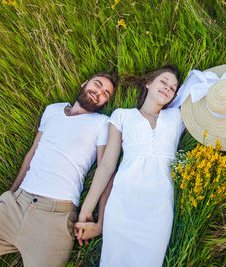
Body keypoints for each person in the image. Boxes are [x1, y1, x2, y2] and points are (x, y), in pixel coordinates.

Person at [0, 71, 117, 267]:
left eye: (106, 94)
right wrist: (11, 193)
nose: (99, 93)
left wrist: (100, 223)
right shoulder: (53, 110)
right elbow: (32, 154)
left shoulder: (101, 123)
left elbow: (106, 173)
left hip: (55, 219)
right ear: (85, 83)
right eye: (98, 85)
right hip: (13, 207)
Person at [75, 65, 185, 266]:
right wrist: (86, 211)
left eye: (173, 88)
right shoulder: (122, 115)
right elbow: (107, 165)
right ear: (149, 83)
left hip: (158, 210)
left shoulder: (177, 117)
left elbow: (204, 95)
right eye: (163, 82)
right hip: (122, 205)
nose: (168, 88)